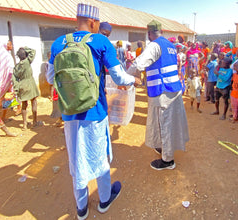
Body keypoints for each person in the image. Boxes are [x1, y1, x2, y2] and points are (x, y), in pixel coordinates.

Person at [46, 3, 141, 219]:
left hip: (70, 114)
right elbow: (118, 77)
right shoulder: (100, 41)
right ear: (93, 22)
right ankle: (105, 200)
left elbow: (50, 78)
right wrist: (133, 80)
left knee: (76, 159)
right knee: (100, 158)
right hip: (95, 113)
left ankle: (81, 208)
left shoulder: (59, 43)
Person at [127, 20, 189, 170]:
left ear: (149, 33)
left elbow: (138, 64)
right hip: (173, 89)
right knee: (167, 122)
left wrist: (125, 78)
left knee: (164, 124)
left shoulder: (154, 45)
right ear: (161, 31)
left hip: (162, 91)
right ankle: (163, 147)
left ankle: (168, 161)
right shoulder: (170, 46)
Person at [12, 47, 41, 130]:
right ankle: (35, 122)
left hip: (22, 85)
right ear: (25, 55)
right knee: (34, 101)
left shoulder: (16, 67)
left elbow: (14, 79)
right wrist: (25, 48)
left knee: (24, 105)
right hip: (30, 83)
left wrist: (16, 88)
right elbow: (33, 51)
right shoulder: (27, 62)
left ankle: (24, 124)